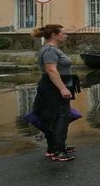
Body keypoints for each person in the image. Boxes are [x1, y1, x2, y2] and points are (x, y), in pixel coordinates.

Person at [31, 24, 79, 162]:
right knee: (61, 117)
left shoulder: (52, 49)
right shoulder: (50, 50)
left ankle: (55, 147)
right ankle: (58, 151)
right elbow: (51, 70)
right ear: (54, 35)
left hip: (53, 87)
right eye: (63, 33)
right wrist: (62, 88)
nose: (65, 35)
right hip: (53, 88)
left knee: (53, 117)